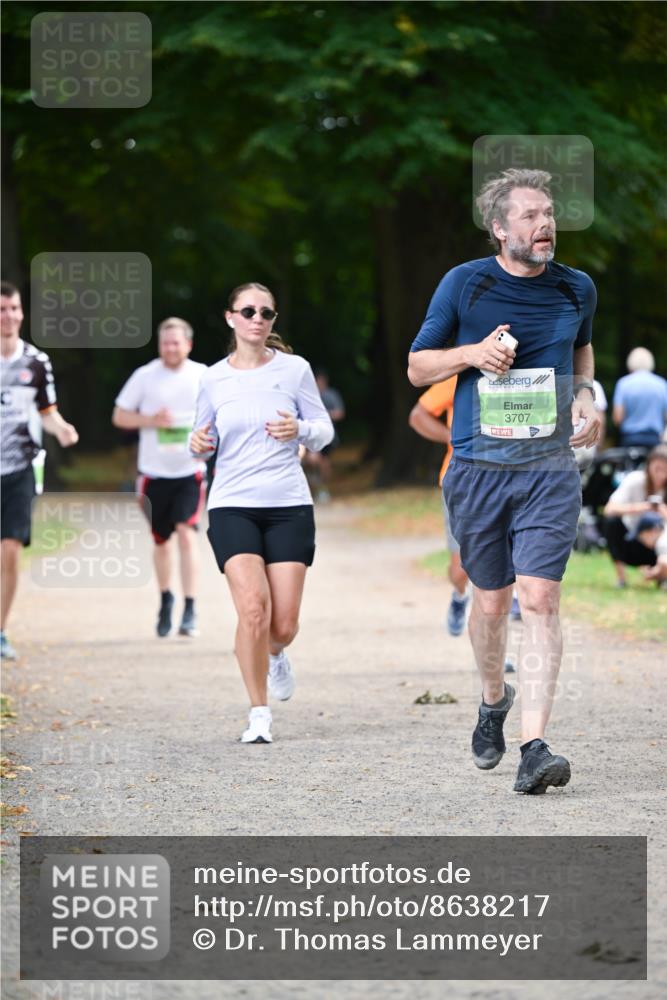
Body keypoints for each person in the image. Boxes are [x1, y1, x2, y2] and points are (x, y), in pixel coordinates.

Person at [408, 168, 602, 795]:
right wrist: (471, 354)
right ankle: (493, 699)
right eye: (530, 216)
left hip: (548, 469)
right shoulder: (465, 284)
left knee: (540, 599)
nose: (545, 224)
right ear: (499, 227)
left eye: (549, 214)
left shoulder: (577, 287)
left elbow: (581, 351)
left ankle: (533, 746)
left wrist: (586, 397)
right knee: (490, 602)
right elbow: (417, 367)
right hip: (478, 468)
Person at [189, 282, 333, 744]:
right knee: (253, 608)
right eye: (248, 311)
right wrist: (197, 443)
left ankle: (275, 654)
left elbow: (324, 431)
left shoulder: (295, 370)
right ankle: (258, 713)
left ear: (273, 320)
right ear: (230, 317)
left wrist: (300, 428)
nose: (257, 319)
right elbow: (201, 439)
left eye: (266, 313)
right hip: (232, 504)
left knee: (282, 625)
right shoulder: (213, 378)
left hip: (288, 504)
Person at [112, 318, 207, 638]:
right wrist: (150, 420)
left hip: (190, 470)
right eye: (165, 343)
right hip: (153, 473)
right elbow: (119, 415)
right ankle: (167, 598)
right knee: (162, 540)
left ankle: (190, 608)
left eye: (176, 342)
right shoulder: (145, 376)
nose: (170, 348)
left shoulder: (203, 375)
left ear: (188, 345)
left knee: (186, 532)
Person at [1, 280, 79, 660]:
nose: (9, 316)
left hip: (20, 469)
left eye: (14, 308)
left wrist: (62, 429)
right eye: (2, 310)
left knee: (10, 550)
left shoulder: (36, 362)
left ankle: (0, 631)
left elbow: (48, 413)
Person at [408, 377, 470, 634]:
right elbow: (418, 416)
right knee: (461, 568)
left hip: (508, 476)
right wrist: (452, 437)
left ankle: (513, 603)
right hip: (460, 479)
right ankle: (460, 595)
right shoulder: (460, 375)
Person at [602, 443, 667, 587]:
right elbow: (609, 509)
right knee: (611, 521)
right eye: (657, 469)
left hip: (661, 544)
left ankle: (662, 574)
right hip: (632, 540)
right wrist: (641, 507)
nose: (660, 474)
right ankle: (621, 578)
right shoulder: (635, 480)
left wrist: (662, 511)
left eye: (665, 470)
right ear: (649, 466)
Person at [303, 368, 345, 502]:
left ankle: (322, 488)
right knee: (311, 461)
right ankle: (315, 488)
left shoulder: (331, 395)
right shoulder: (308, 395)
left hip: (328, 436)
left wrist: (324, 416)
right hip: (311, 435)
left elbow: (340, 413)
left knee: (323, 461)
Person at [612, 348, 667, 448]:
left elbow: (618, 418)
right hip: (655, 440)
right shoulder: (662, 384)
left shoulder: (623, 383)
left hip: (630, 440)